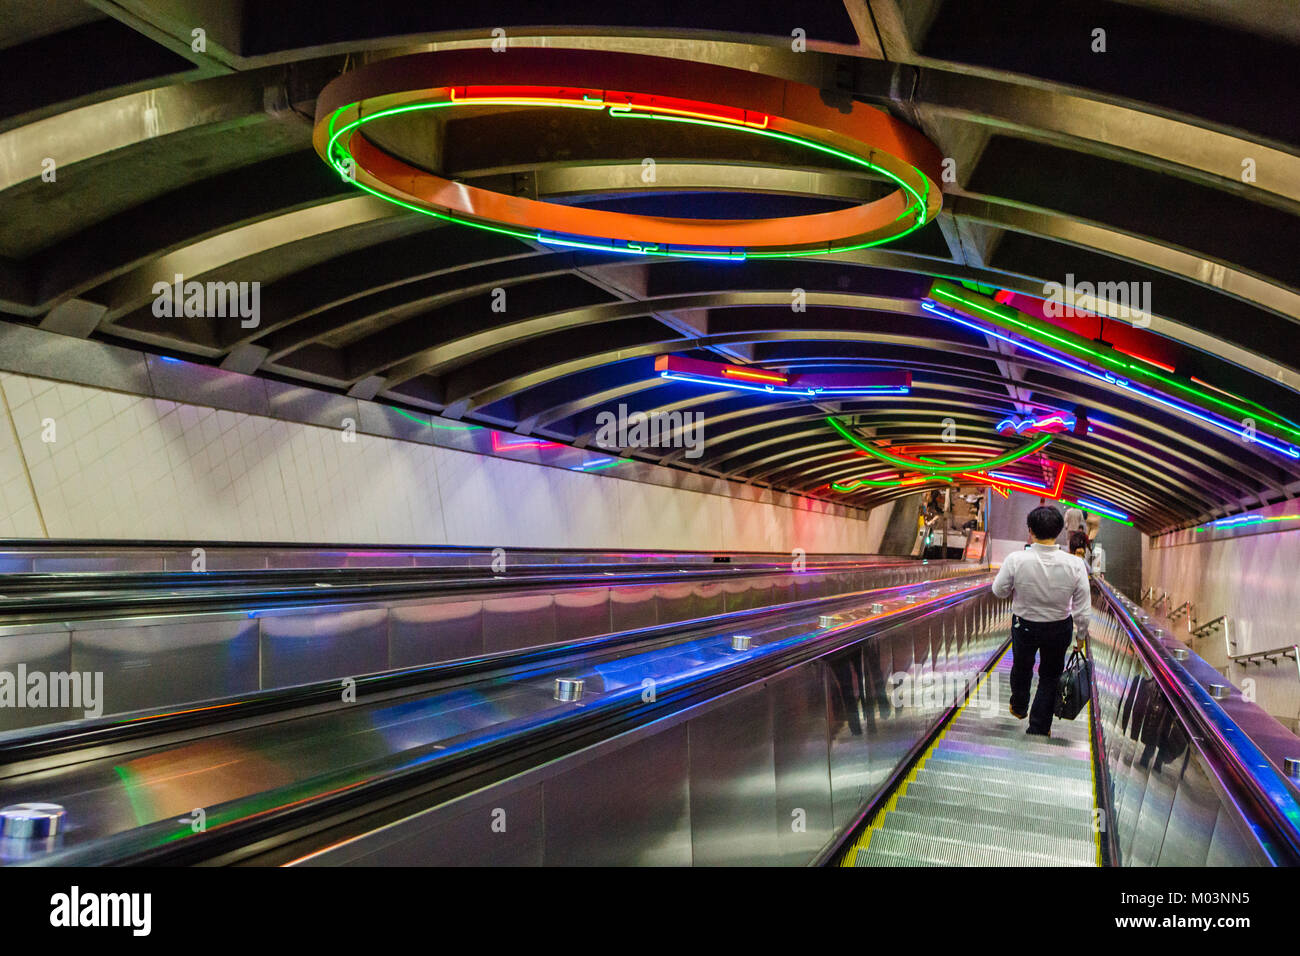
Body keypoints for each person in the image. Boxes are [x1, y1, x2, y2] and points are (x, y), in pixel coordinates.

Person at [991, 505, 1090, 737]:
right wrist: (1081, 636)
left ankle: (1019, 705)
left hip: (1024, 625)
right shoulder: (1075, 564)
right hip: (1059, 627)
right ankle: (1038, 727)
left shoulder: (1016, 559)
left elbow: (998, 591)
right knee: (1050, 676)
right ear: (1058, 531)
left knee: (1021, 666)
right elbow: (1082, 607)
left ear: (1030, 531)